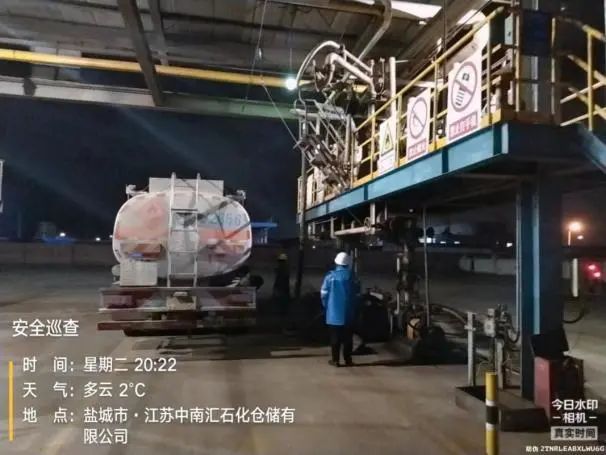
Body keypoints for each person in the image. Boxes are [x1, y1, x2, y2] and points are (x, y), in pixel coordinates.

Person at [321, 252, 359, 367]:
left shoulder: (330, 277)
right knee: (348, 338)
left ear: (336, 262)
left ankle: (335, 360)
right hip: (349, 313)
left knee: (335, 338)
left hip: (333, 314)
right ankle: (348, 360)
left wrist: (326, 306)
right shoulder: (352, 277)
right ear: (348, 264)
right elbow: (357, 294)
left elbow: (323, 295)